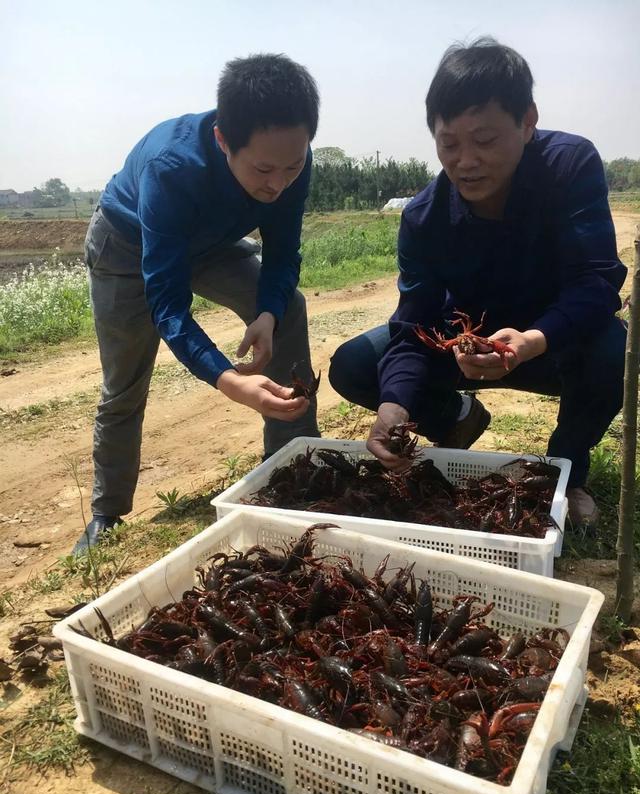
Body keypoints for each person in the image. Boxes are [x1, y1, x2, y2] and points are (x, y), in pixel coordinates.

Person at [329, 37, 627, 530]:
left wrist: (532, 340)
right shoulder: (425, 217)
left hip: (551, 342)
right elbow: (414, 325)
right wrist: (392, 406)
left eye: (484, 141)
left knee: (613, 350)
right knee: (359, 365)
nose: (465, 161)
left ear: (527, 121)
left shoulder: (569, 166)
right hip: (466, 344)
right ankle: (456, 417)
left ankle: (564, 471)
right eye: (449, 144)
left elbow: (595, 282)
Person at [72, 53, 321, 555]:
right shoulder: (173, 167)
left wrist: (267, 313)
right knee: (124, 384)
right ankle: (107, 513)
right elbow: (167, 305)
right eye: (264, 169)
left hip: (210, 246)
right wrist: (231, 382)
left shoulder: (292, 161)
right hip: (128, 245)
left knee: (288, 306)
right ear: (225, 141)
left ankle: (295, 461)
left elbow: (282, 252)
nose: (278, 183)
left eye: (292, 166)